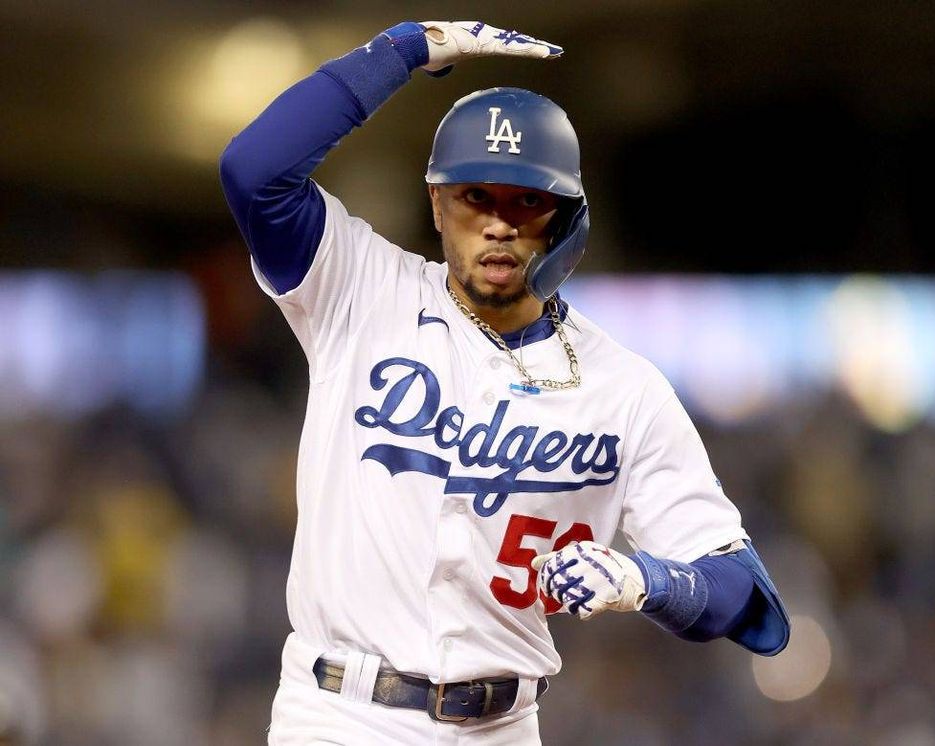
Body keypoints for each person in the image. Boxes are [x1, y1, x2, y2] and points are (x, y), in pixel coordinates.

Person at [219, 20, 789, 746]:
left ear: (565, 220)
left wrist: (645, 581)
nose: (498, 224)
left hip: (504, 726)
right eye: (475, 197)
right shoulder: (360, 289)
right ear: (435, 202)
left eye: (527, 201)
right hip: (340, 713)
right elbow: (252, 170)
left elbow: (751, 600)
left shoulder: (623, 387)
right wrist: (403, 52)